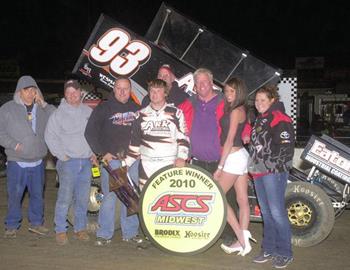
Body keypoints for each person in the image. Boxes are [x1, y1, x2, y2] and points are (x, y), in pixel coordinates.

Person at [178, 68, 236, 244]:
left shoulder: (225, 102)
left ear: (212, 83)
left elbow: (241, 119)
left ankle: (230, 235)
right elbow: (174, 122)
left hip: (221, 161)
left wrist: (245, 136)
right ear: (194, 86)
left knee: (227, 199)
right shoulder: (188, 104)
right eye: (198, 83)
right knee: (199, 201)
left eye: (205, 81)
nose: (202, 85)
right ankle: (203, 234)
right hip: (196, 162)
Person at [84, 76, 141, 246]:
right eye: (119, 88)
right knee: (109, 197)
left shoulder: (137, 109)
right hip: (112, 161)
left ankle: (130, 233)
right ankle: (104, 234)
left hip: (132, 161)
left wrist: (139, 153)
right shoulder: (104, 108)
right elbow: (90, 133)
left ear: (130, 90)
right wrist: (102, 154)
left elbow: (143, 133)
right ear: (114, 89)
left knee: (131, 198)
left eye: (126, 88)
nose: (122, 92)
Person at [0, 75, 55, 238]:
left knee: (37, 194)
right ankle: (11, 225)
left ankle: (36, 223)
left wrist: (43, 103)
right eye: (27, 90)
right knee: (15, 195)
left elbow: (58, 117)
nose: (31, 93)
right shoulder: (7, 108)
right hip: (17, 162)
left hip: (38, 161)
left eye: (33, 90)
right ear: (19, 91)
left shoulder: (42, 109)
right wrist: (13, 144)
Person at [45, 80, 96, 245]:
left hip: (86, 163)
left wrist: (93, 153)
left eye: (75, 91)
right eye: (69, 92)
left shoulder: (88, 111)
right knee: (65, 198)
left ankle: (80, 229)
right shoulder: (58, 114)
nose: (72, 95)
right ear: (65, 95)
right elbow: (49, 136)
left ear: (81, 92)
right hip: (68, 163)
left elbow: (94, 135)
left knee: (82, 199)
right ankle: (60, 229)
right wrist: (62, 156)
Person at [249, 85, 294, 268]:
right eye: (257, 100)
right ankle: (268, 249)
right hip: (259, 173)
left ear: (272, 100)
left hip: (273, 173)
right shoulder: (260, 119)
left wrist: (268, 166)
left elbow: (286, 149)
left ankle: (285, 252)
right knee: (266, 214)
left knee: (277, 213)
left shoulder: (279, 118)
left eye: (263, 100)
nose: (259, 104)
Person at [125, 78, 190, 190]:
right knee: (147, 201)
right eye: (152, 91)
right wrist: (126, 164)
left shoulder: (176, 113)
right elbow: (134, 144)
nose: (154, 94)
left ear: (165, 93)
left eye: (158, 91)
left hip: (169, 164)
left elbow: (183, 139)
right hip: (147, 165)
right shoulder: (139, 115)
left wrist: (182, 157)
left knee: (168, 201)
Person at [212, 78, 253, 256]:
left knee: (218, 196)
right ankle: (242, 241)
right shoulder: (239, 109)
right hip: (241, 155)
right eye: (226, 91)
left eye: (232, 92)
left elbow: (229, 140)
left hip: (234, 156)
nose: (228, 95)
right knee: (242, 200)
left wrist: (220, 166)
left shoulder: (236, 111)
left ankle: (241, 237)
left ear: (239, 93)